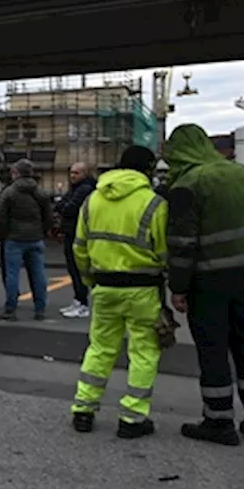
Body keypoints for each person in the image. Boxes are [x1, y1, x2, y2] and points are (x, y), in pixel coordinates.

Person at [164, 124, 244, 446]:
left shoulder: (188, 184)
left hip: (210, 280)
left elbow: (183, 243)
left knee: (213, 350)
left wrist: (178, 287)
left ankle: (218, 421)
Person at [69, 146, 167, 439]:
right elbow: (163, 251)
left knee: (99, 348)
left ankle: (83, 409)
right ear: (147, 170)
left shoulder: (92, 200)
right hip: (142, 289)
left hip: (104, 287)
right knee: (143, 353)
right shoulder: (154, 203)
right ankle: (133, 418)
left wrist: (89, 280)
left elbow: (79, 248)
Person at [0, 158, 53, 320]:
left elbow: (1, 217)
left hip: (14, 239)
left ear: (15, 173)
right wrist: (43, 231)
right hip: (35, 237)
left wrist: (1, 235)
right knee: (38, 274)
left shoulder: (9, 192)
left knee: (12, 274)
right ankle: (40, 309)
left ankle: (10, 309)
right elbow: (48, 216)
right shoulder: (40, 192)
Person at [55, 162, 97, 318]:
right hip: (71, 231)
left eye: (76, 173)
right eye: (71, 172)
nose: (72, 176)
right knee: (74, 269)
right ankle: (78, 300)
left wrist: (63, 206)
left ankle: (82, 303)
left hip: (77, 233)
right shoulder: (76, 189)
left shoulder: (85, 189)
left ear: (85, 174)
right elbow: (60, 205)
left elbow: (68, 208)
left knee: (78, 269)